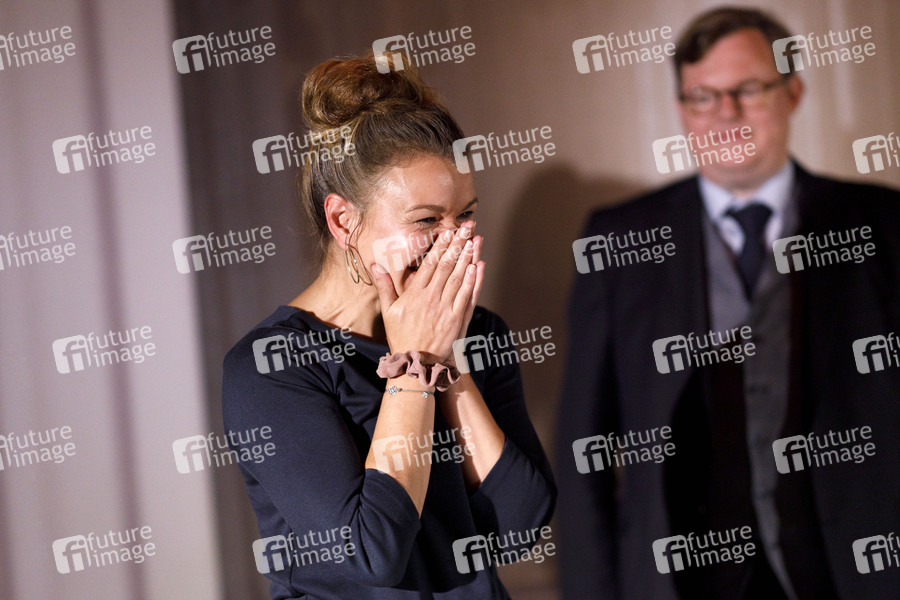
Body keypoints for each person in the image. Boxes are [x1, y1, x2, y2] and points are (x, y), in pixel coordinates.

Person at [557, 7, 900, 600]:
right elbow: (582, 444)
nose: (726, 113)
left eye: (748, 89)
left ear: (793, 92)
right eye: (703, 96)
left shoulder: (885, 223)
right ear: (681, 108)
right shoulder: (615, 241)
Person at [222, 52, 555, 600]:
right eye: (426, 220)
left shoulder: (478, 332)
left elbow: (520, 527)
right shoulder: (271, 367)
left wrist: (445, 358)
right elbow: (371, 554)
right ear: (343, 221)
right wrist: (414, 367)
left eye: (465, 215)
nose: (456, 240)